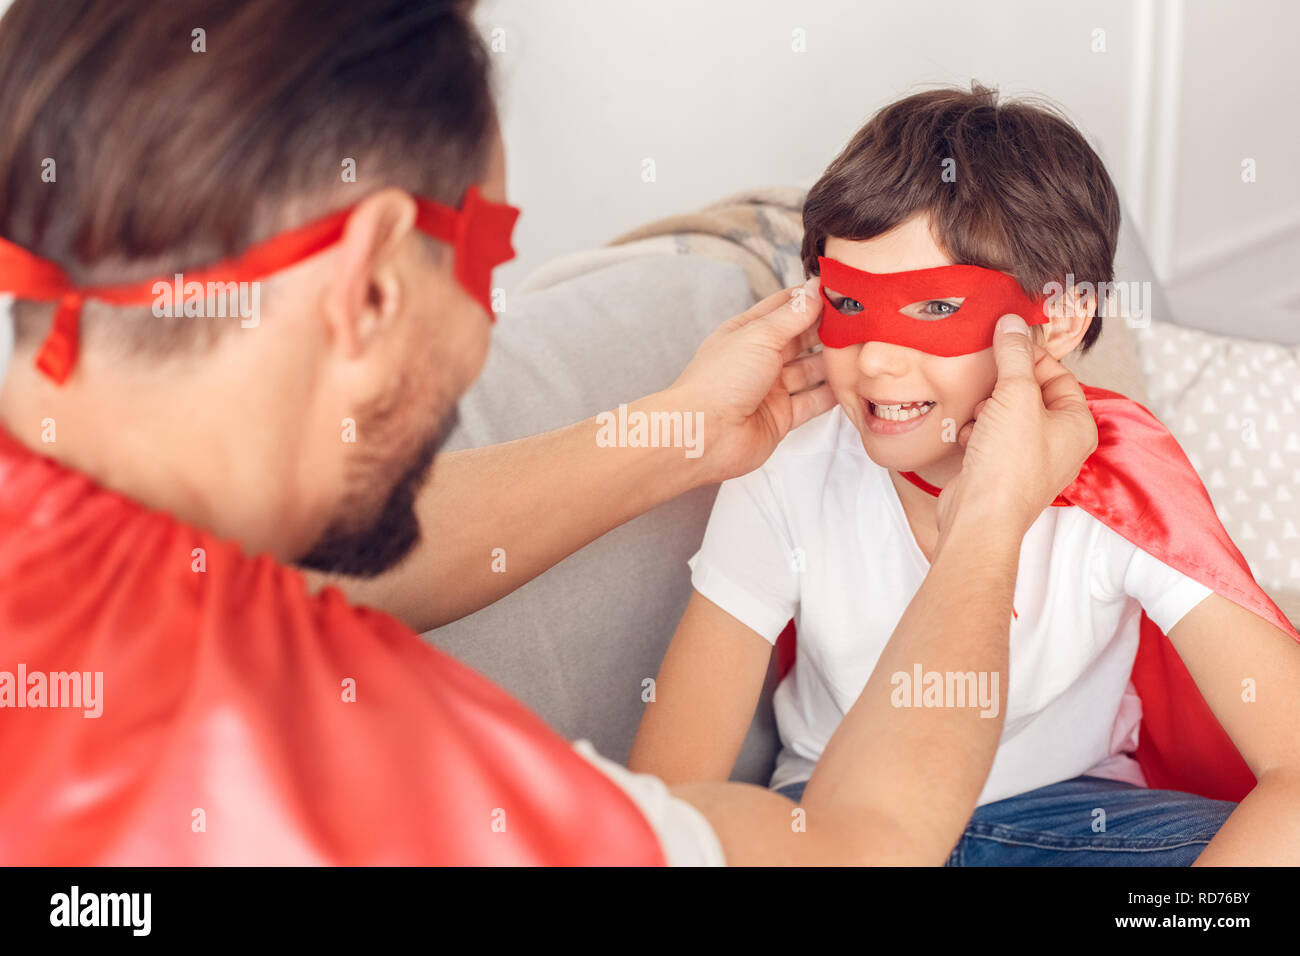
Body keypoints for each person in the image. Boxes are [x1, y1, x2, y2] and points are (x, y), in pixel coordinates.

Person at [0, 0, 1094, 865]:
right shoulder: (400, 784)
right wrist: (991, 513)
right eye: (487, 256)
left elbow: (268, 571)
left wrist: (681, 433)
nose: (485, 320)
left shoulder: (123, 572)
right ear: (370, 284)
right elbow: (859, 847)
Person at [628, 85, 1300, 865]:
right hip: (833, 824)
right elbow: (666, 801)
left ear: (1057, 320)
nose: (875, 359)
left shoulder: (1120, 481)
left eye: (935, 310)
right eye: (848, 303)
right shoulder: (783, 473)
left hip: (1073, 825)